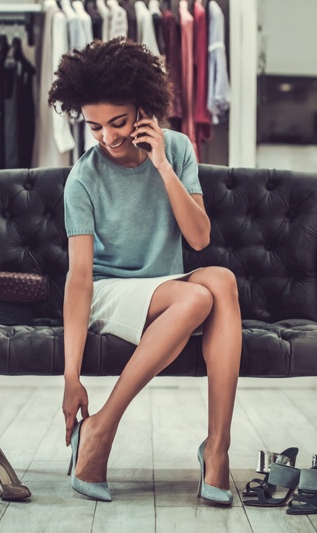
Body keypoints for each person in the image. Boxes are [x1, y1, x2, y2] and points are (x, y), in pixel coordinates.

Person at [49, 37, 242, 504]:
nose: (108, 137)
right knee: (198, 296)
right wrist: (71, 376)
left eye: (118, 122)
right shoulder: (84, 178)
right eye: (95, 127)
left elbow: (199, 238)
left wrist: (162, 167)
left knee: (221, 280)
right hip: (112, 292)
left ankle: (217, 446)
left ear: (144, 110)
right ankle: (102, 427)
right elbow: (79, 280)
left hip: (164, 289)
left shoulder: (175, 149)